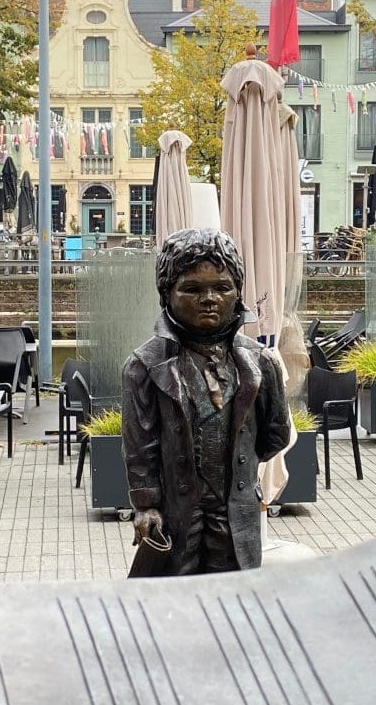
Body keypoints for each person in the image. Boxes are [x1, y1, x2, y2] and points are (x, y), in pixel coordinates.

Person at [122, 228, 292, 575]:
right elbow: (140, 448)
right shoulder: (144, 365)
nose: (210, 298)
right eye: (193, 289)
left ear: (238, 292)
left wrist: (241, 464)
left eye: (222, 288)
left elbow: (275, 434)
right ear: (166, 294)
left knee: (233, 603)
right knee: (173, 603)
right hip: (176, 514)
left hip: (236, 512)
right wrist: (145, 505)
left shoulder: (261, 363)